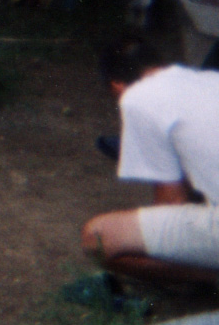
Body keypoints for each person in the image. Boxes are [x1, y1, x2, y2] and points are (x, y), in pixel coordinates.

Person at [81, 35, 219, 286]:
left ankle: (211, 280)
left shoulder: (136, 98)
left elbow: (172, 201)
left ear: (116, 85)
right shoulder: (211, 80)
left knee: (97, 238)